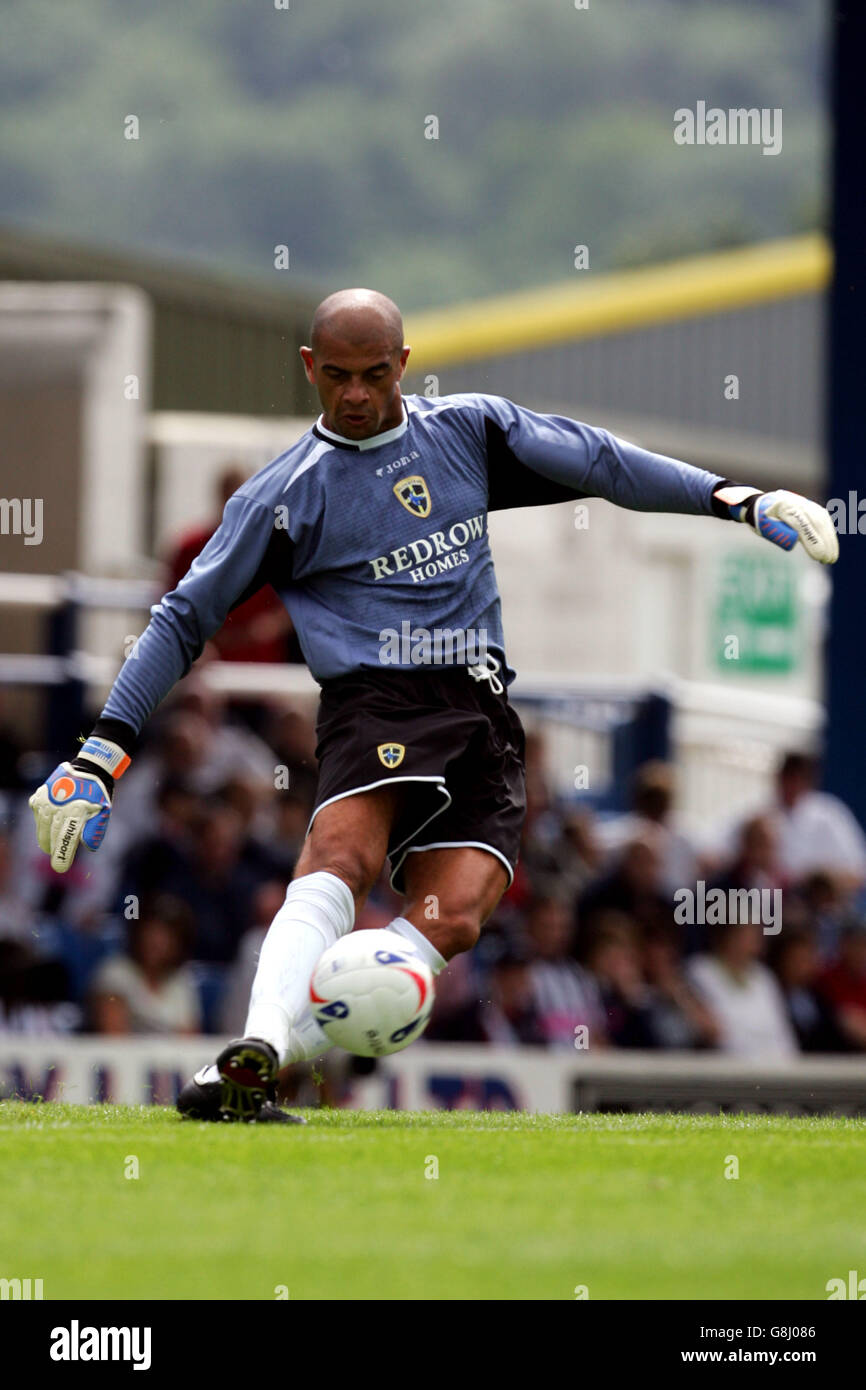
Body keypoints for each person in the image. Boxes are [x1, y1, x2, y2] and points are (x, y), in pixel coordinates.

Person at [28, 287, 839, 1122]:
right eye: (336, 376)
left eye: (373, 375)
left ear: (404, 365)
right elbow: (181, 617)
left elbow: (599, 462)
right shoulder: (283, 496)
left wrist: (734, 498)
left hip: (483, 710)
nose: (354, 395)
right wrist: (101, 753)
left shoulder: (469, 432)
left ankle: (252, 1066)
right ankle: (263, 1041)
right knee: (340, 860)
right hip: (376, 700)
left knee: (452, 919)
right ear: (310, 368)